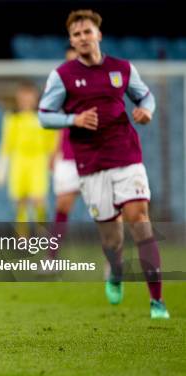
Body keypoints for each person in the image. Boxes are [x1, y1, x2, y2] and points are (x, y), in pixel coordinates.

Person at [38, 9, 170, 319]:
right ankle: (116, 271)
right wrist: (74, 119)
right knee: (113, 238)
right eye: (76, 34)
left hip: (126, 155)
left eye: (87, 32)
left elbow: (145, 98)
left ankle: (157, 302)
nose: (83, 38)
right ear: (71, 40)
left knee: (140, 220)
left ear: (99, 34)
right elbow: (44, 115)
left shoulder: (122, 69)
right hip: (90, 163)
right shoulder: (62, 75)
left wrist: (146, 111)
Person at [0, 82, 58, 233]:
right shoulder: (12, 118)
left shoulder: (43, 118)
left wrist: (54, 161)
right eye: (23, 97)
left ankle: (41, 230)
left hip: (38, 161)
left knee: (38, 198)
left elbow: (53, 142)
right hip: (18, 161)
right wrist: (1, 166)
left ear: (36, 98)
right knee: (20, 200)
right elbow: (6, 144)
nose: (26, 101)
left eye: (29, 97)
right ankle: (22, 235)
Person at [47, 46, 80, 261]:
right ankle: (52, 259)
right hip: (67, 157)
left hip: (94, 157)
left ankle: (113, 263)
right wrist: (55, 151)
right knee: (62, 205)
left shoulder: (101, 88)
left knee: (108, 211)